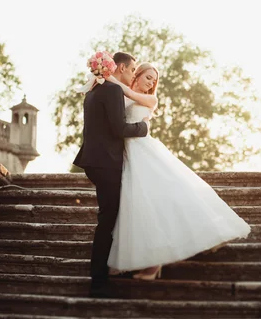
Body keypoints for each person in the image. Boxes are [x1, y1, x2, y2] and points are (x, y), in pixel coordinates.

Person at [106, 62, 251, 280]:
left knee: (154, 200)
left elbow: (125, 91)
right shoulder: (122, 97)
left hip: (143, 151)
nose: (151, 83)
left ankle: (153, 266)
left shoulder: (150, 99)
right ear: (136, 75)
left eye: (154, 80)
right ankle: (150, 261)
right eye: (148, 77)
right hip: (126, 154)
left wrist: (104, 74)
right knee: (136, 206)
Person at [73, 51, 149, 297]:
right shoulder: (113, 91)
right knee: (107, 220)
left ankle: (114, 267)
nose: (133, 73)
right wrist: (144, 128)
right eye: (132, 68)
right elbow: (119, 128)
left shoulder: (93, 91)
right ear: (121, 67)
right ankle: (98, 279)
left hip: (94, 161)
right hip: (107, 162)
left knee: (111, 216)